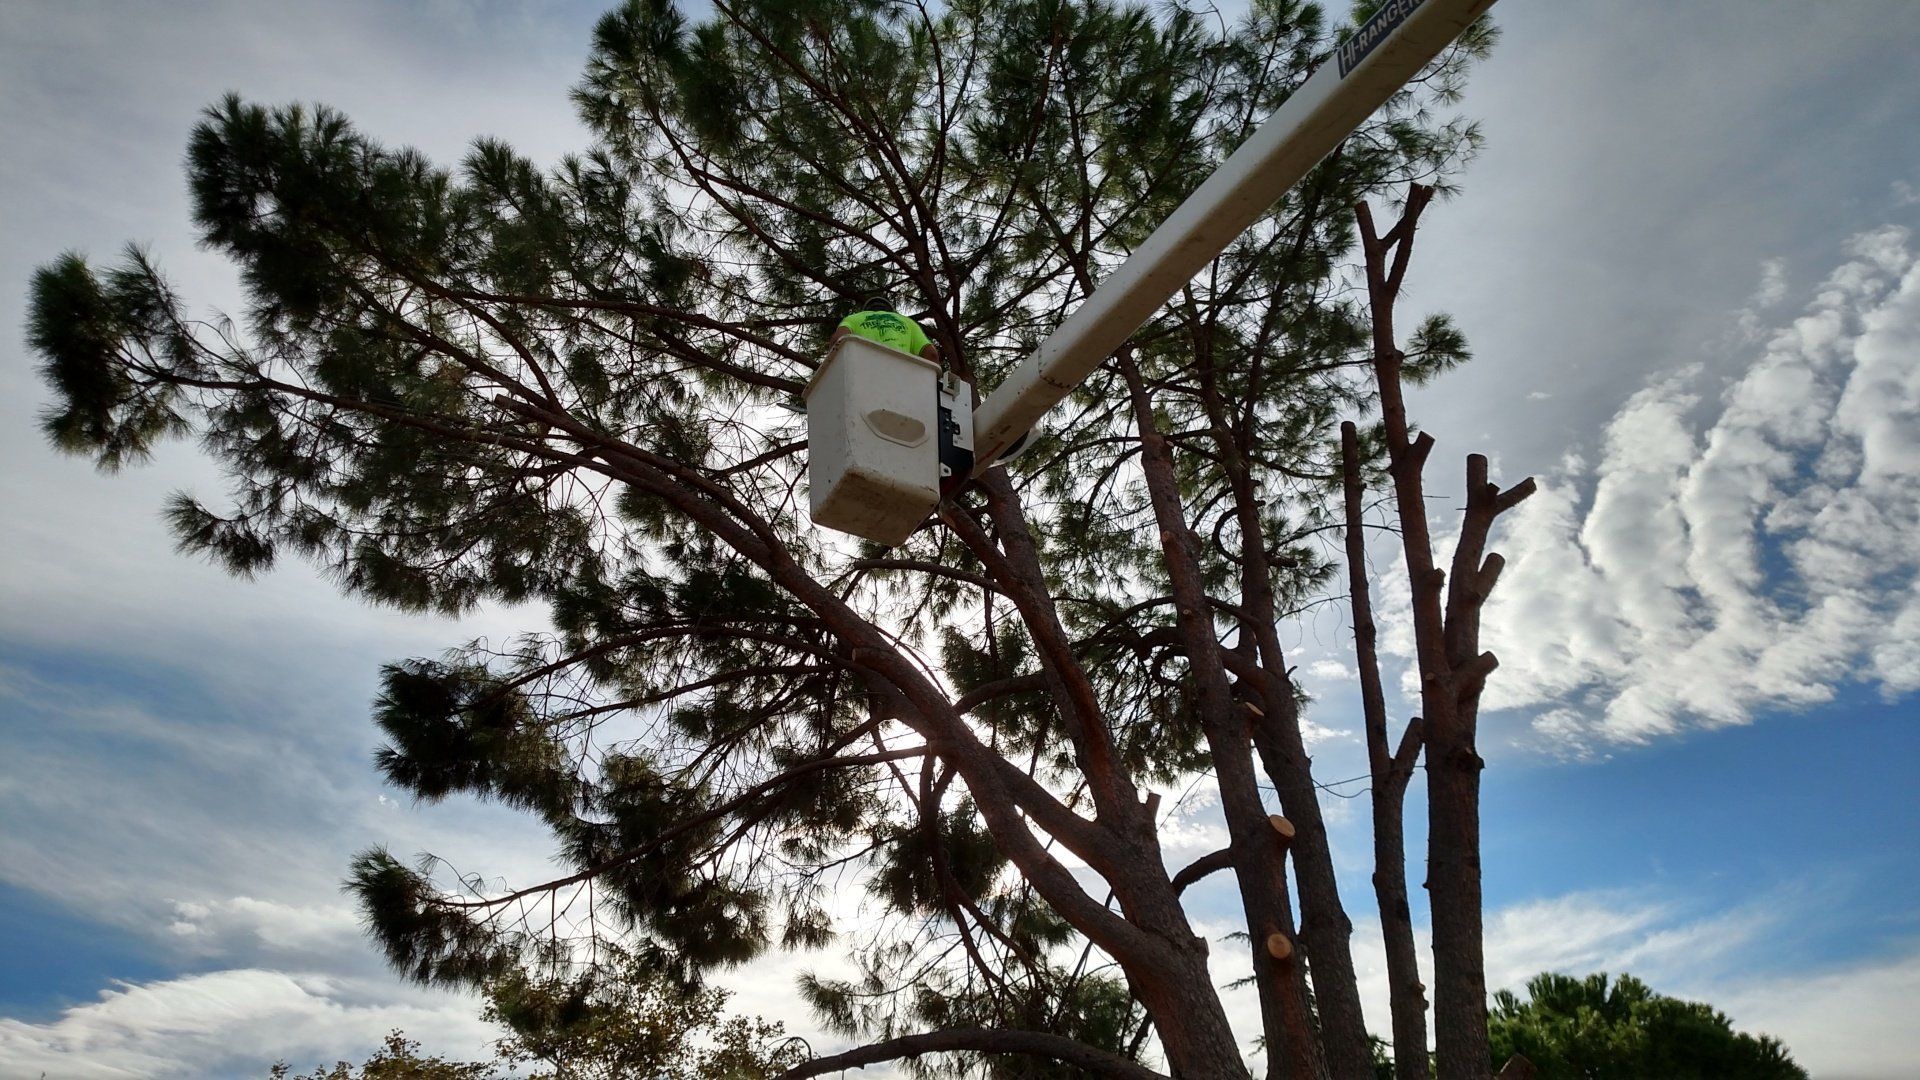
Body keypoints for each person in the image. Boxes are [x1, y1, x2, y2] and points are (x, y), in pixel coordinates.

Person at [831, 298, 940, 364]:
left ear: (867, 310)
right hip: (902, 377)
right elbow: (931, 354)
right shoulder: (908, 322)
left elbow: (838, 340)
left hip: (863, 375)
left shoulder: (854, 318)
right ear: (890, 311)